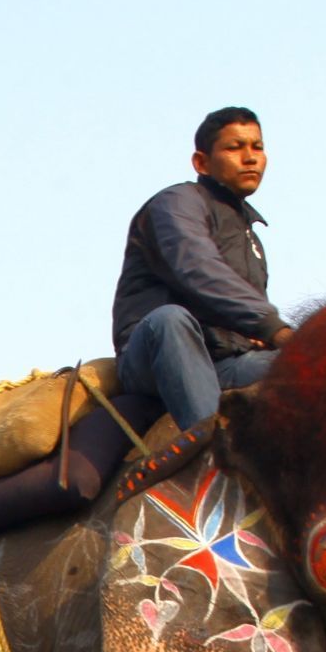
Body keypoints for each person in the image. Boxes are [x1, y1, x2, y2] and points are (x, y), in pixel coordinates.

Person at [111, 106, 293, 431]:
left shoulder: (248, 232)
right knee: (170, 319)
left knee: (321, 367)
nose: (250, 158)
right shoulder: (176, 204)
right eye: (234, 147)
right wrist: (272, 327)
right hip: (156, 354)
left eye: (257, 147)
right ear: (201, 163)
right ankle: (210, 452)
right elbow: (196, 267)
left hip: (223, 363)